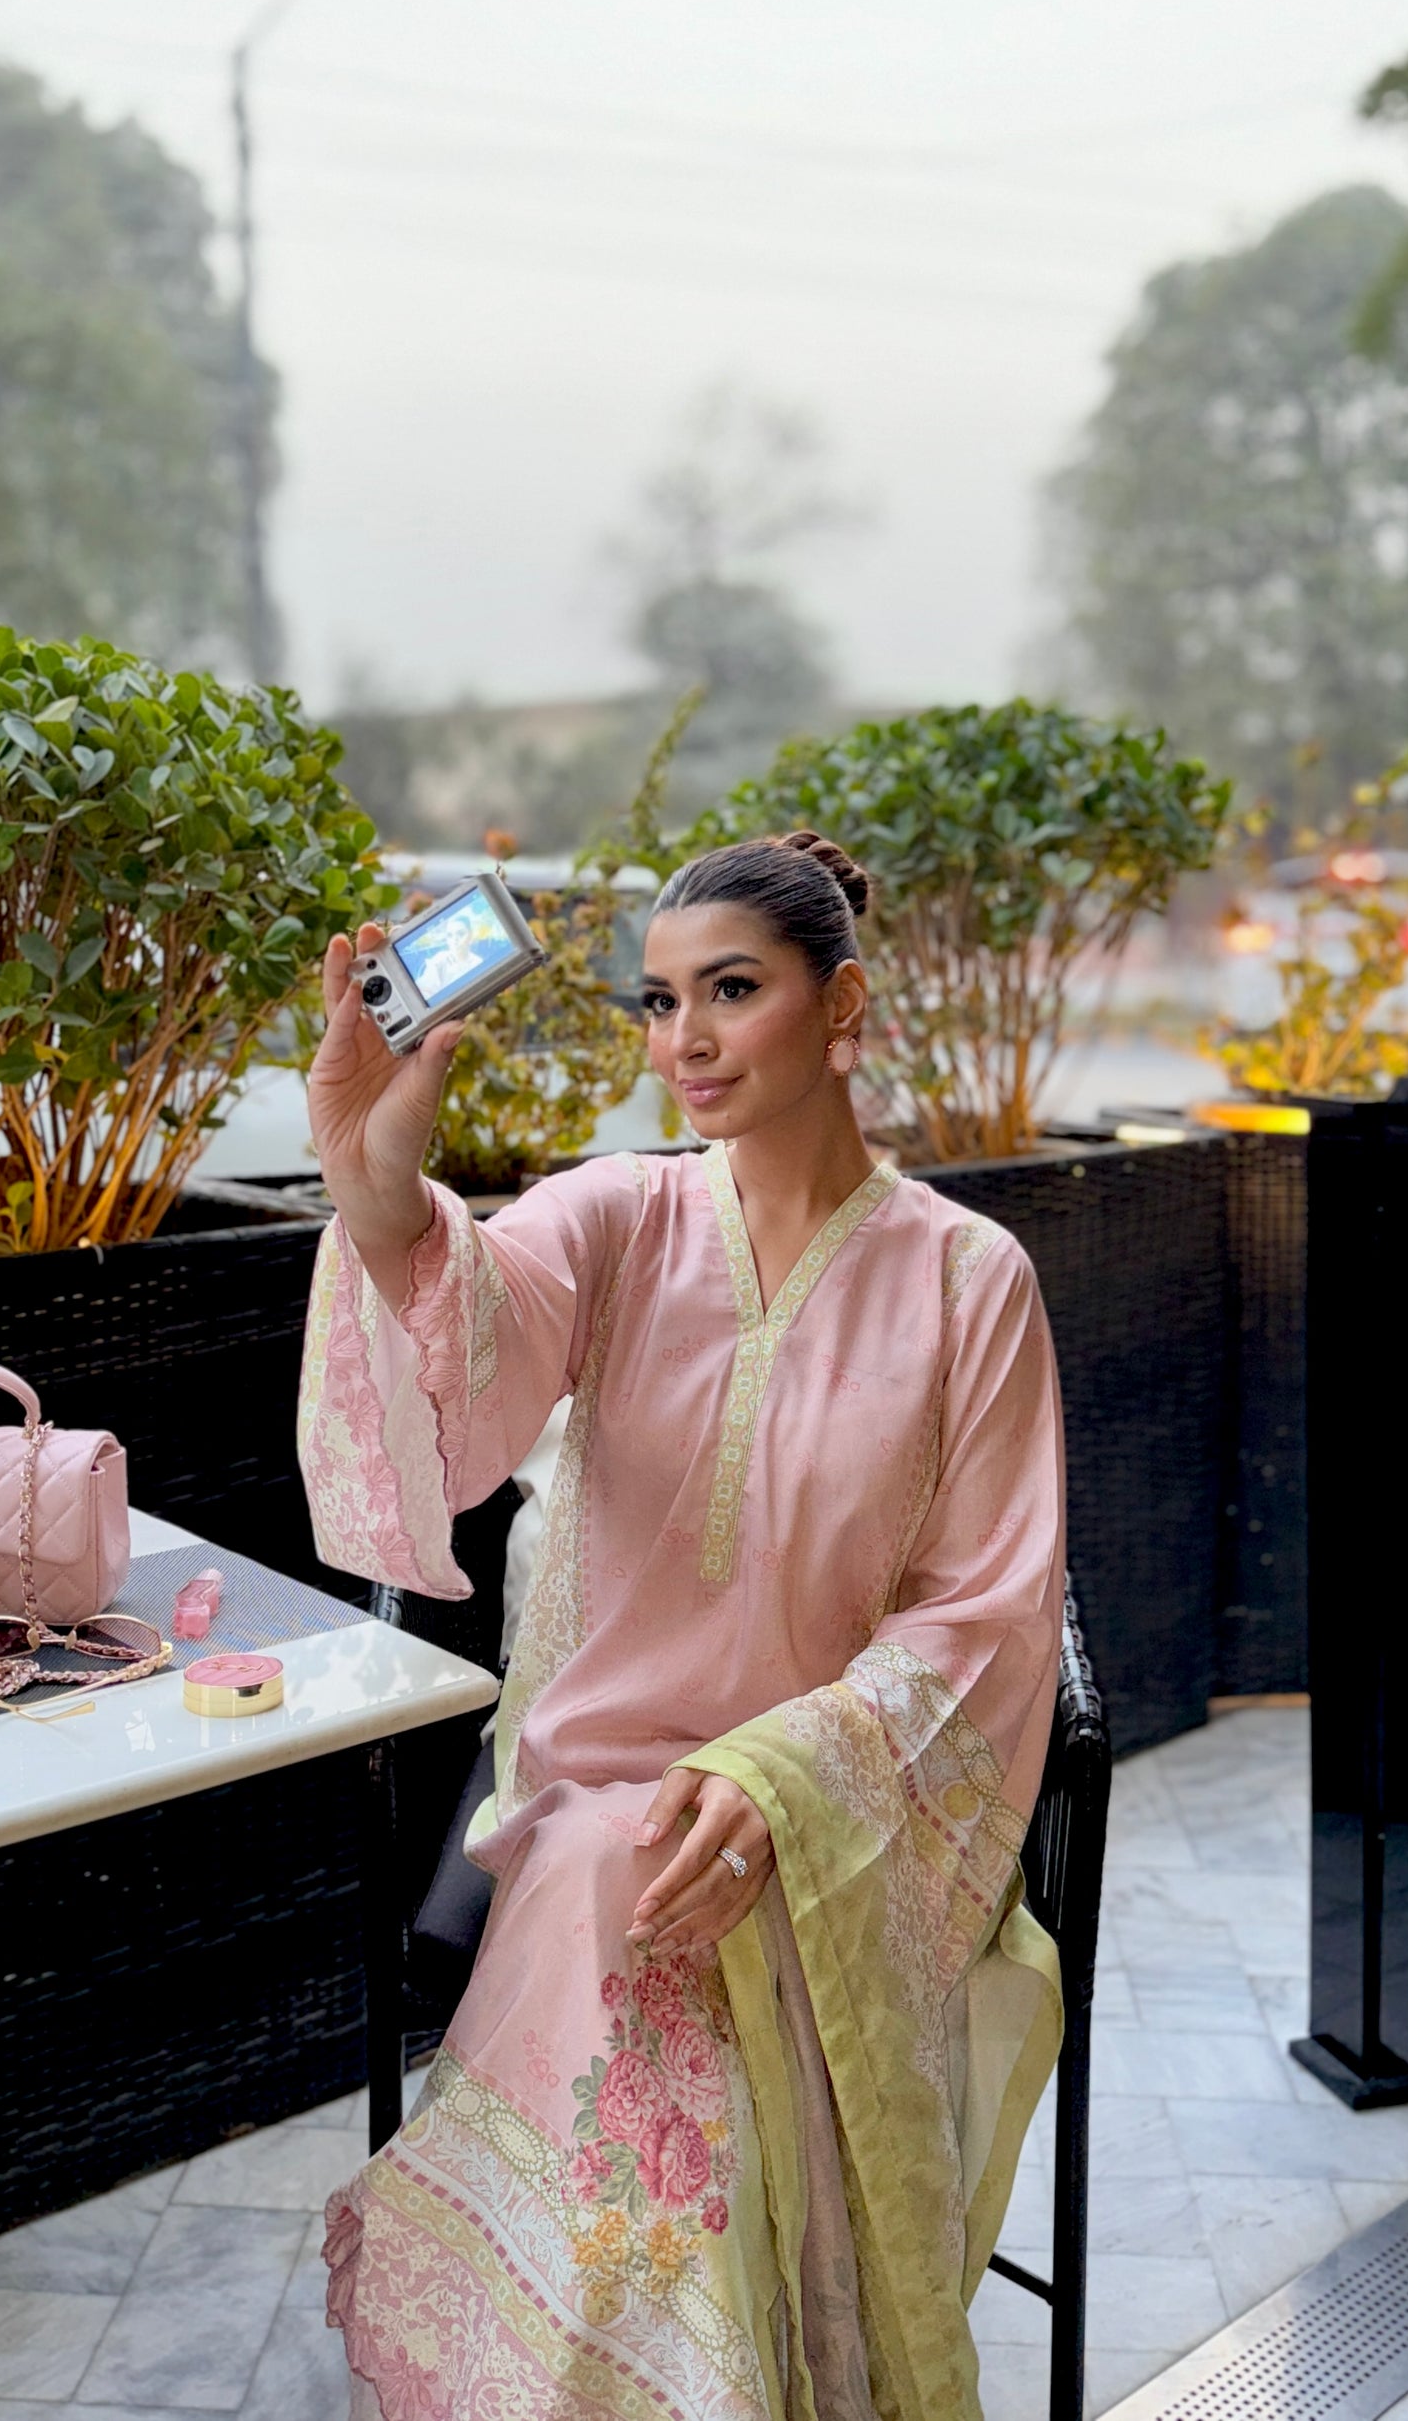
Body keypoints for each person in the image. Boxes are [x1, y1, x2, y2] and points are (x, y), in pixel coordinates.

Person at [299, 830, 1067, 2421]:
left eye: (730, 991)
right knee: (618, 1876)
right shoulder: (615, 1219)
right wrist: (374, 1188)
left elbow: (988, 1610)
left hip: (854, 1816)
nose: (686, 1043)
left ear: (839, 1004)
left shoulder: (967, 1280)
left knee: (661, 1903)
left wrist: (785, 1784)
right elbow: (461, 1336)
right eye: (658, 1004)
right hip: (602, 1784)